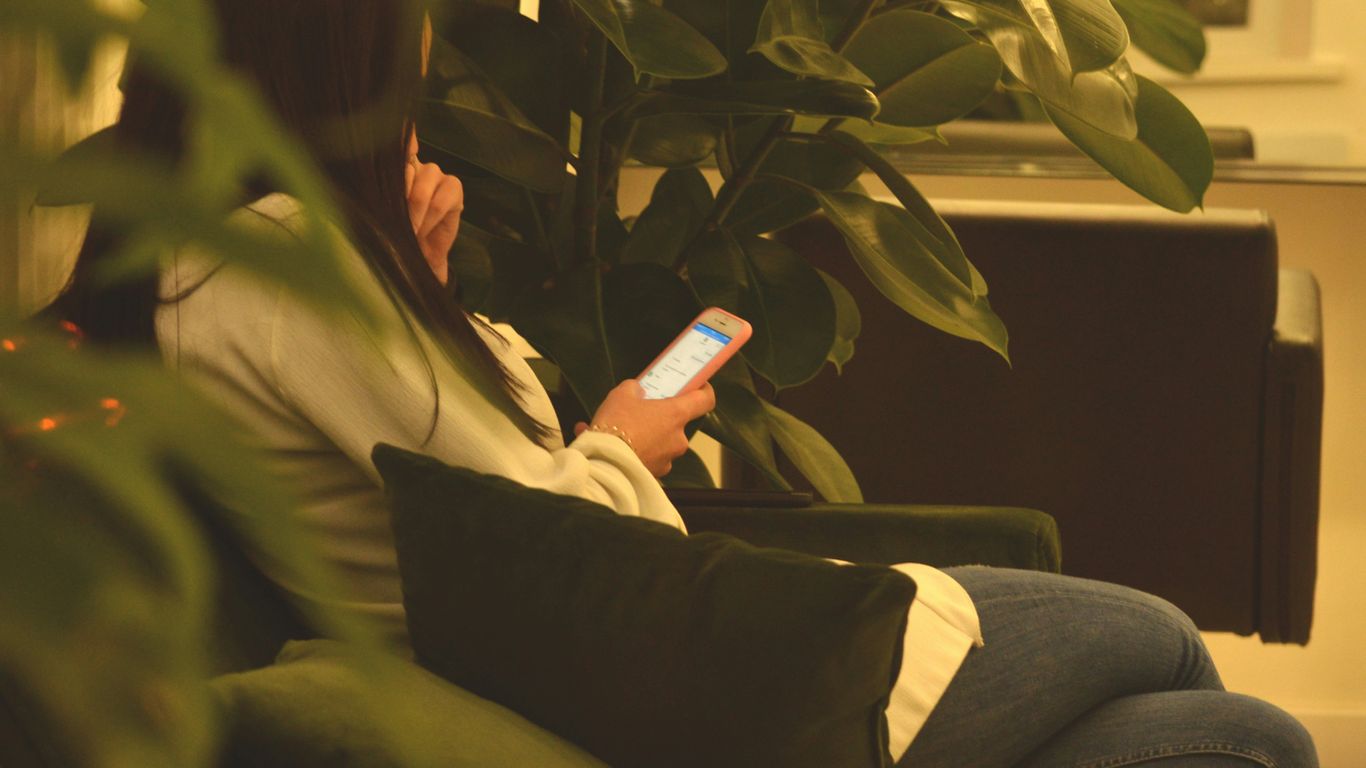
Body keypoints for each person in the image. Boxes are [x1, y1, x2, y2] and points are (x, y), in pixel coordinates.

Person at [55, 1, 1318, 765]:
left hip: (616, 659)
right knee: (1160, 640)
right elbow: (550, 534)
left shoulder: (201, 261)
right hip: (638, 673)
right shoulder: (287, 262)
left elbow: (454, 478)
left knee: (1245, 743)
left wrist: (424, 282)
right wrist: (622, 435)